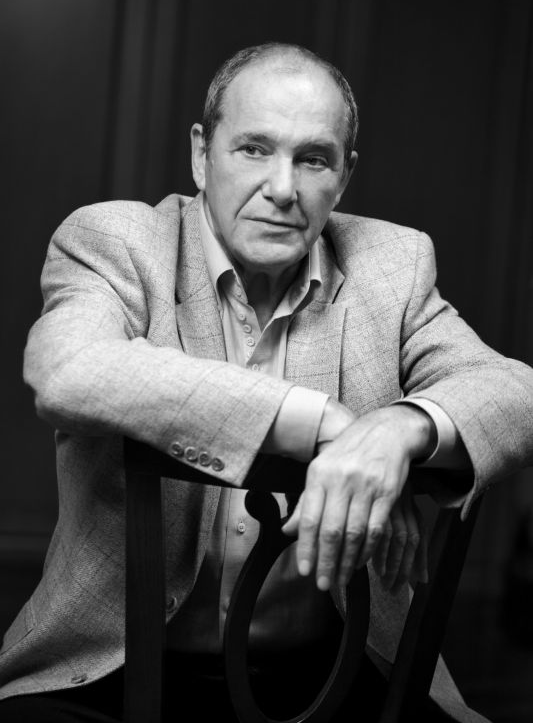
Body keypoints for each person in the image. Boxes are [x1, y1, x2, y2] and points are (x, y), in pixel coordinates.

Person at [1, 42, 532, 723]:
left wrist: (395, 432)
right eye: (254, 149)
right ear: (202, 154)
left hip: (330, 675)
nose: (283, 188)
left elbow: (513, 392)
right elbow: (69, 369)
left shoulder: (392, 265)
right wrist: (323, 422)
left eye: (313, 159)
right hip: (110, 670)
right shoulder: (118, 241)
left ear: (343, 176)